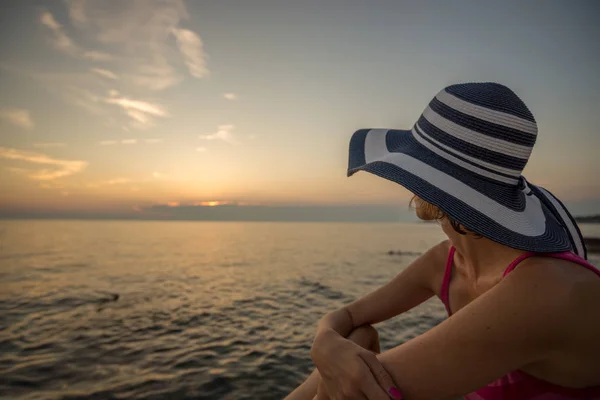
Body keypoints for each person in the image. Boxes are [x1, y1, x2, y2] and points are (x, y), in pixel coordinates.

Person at [285, 82, 600, 400]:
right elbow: (349, 318)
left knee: (349, 362)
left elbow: (367, 390)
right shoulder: (448, 260)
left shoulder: (546, 291)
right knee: (357, 337)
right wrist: (325, 340)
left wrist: (333, 353)